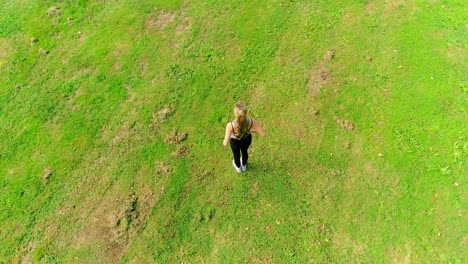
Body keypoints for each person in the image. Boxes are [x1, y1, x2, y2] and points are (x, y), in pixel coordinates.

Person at [223, 102, 266, 172]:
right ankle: (244, 165)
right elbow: (263, 134)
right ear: (246, 113)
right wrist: (251, 131)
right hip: (246, 140)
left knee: (236, 154)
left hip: (235, 143)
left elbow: (225, 143)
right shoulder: (252, 122)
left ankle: (238, 168)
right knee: (244, 151)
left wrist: (228, 136)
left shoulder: (230, 125)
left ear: (235, 114)